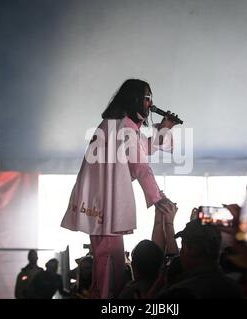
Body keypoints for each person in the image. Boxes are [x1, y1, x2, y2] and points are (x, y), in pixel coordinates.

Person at [61, 79, 180, 298]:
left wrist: (164, 128)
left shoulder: (116, 125)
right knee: (109, 265)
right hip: (106, 207)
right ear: (134, 99)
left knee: (106, 261)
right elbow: (140, 164)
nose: (150, 103)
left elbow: (143, 148)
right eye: (146, 98)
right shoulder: (123, 127)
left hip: (100, 204)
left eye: (151, 98)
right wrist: (157, 197)